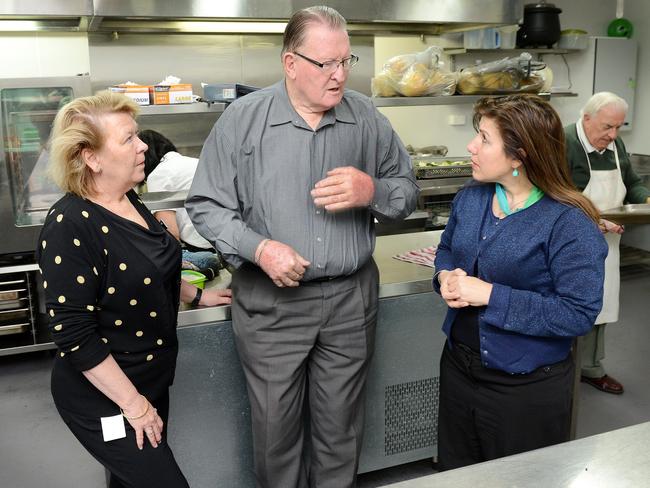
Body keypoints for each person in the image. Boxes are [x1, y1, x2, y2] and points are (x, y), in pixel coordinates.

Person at [186, 5, 418, 487]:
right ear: (291, 63)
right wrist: (260, 248)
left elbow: (407, 189)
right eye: (325, 64)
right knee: (276, 434)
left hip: (351, 301)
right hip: (272, 304)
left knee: (341, 432)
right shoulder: (243, 121)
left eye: (345, 62)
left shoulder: (365, 119)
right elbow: (206, 205)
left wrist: (370, 190)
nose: (338, 76)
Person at [36, 91, 231, 488]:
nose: (143, 146)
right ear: (91, 157)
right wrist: (135, 407)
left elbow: (152, 267)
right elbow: (73, 334)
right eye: (128, 139)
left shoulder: (129, 201)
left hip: (151, 378)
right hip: (104, 393)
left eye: (137, 135)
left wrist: (197, 296)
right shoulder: (70, 225)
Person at [433, 95, 607, 471]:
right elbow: (446, 249)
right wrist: (444, 276)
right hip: (459, 370)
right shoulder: (471, 197)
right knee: (456, 474)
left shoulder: (568, 223)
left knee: (520, 478)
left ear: (519, 156)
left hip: (525, 388)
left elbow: (578, 314)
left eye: (484, 138)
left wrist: (490, 296)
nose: (471, 147)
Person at [565, 92, 650, 395]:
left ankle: (590, 367)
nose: (613, 135)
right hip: (571, 243)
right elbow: (558, 196)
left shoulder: (615, 144)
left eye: (618, 128)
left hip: (609, 241)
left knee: (601, 302)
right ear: (586, 119)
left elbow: (632, 181)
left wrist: (645, 199)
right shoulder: (565, 143)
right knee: (571, 303)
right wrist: (595, 222)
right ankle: (562, 368)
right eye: (606, 128)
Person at [138, 129, 224, 279]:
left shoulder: (159, 173)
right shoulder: (190, 162)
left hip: (205, 247)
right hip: (225, 242)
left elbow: (170, 232)